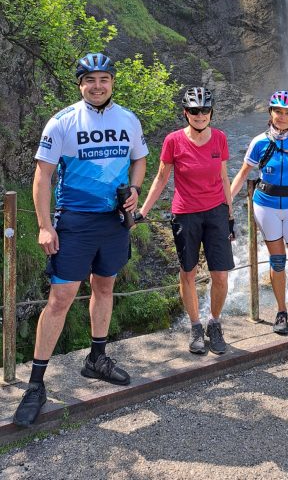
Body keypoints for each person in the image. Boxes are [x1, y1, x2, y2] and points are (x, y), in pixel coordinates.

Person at [13, 53, 148, 428]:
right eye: (90, 80)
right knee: (60, 299)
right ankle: (35, 385)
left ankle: (96, 359)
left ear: (113, 82)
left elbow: (139, 158)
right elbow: (42, 177)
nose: (97, 86)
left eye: (104, 79)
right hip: (74, 221)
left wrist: (136, 189)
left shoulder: (128, 119)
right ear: (80, 84)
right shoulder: (62, 122)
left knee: (104, 287)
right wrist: (45, 226)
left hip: (114, 221)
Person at [138, 87, 234, 356]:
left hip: (216, 212)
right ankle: (195, 327)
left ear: (211, 112)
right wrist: (143, 212)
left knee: (220, 274)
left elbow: (224, 177)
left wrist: (230, 215)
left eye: (204, 110)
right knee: (188, 271)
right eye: (194, 111)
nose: (200, 115)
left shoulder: (220, 138)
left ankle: (214, 323)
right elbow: (161, 178)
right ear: (185, 113)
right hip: (185, 214)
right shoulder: (173, 141)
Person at [230, 90, 288, 337]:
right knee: (277, 261)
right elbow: (242, 175)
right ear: (270, 113)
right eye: (278, 111)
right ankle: (281, 312)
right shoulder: (259, 142)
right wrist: (226, 204)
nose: (282, 116)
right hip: (266, 206)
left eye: (287, 113)